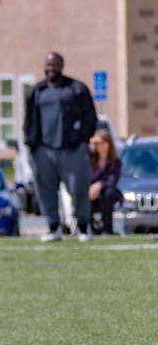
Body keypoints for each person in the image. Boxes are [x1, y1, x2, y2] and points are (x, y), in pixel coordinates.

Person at [22, 52, 98, 243]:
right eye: (47, 65)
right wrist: (31, 142)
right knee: (45, 190)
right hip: (43, 149)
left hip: (71, 148)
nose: (50, 69)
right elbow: (29, 120)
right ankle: (53, 227)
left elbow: (90, 117)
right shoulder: (36, 91)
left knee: (78, 189)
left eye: (54, 65)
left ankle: (82, 226)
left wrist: (83, 139)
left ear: (62, 66)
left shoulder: (76, 89)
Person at [88, 129, 122, 235]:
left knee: (109, 193)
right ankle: (90, 227)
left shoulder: (115, 162)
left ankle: (107, 229)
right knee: (86, 194)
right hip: (92, 194)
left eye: (102, 143)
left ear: (108, 143)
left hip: (107, 194)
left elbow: (113, 181)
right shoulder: (90, 160)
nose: (99, 146)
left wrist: (100, 184)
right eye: (96, 144)